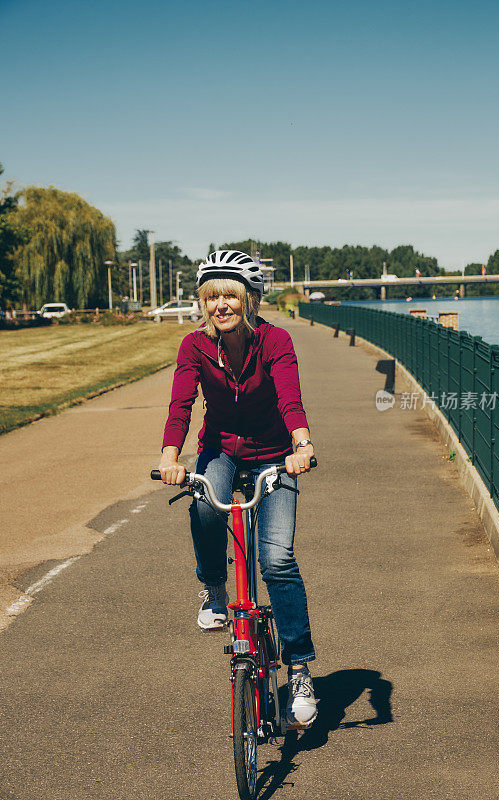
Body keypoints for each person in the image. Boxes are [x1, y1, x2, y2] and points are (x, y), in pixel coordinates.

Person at [158, 249, 317, 727]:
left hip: (275, 452)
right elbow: (181, 405)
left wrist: (302, 444)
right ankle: (213, 588)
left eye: (229, 295)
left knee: (277, 559)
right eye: (211, 297)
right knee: (206, 504)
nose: (219, 305)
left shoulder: (276, 340)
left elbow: (290, 397)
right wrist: (169, 457)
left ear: (250, 298)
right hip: (221, 449)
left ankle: (301, 670)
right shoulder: (194, 347)